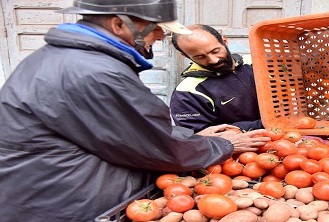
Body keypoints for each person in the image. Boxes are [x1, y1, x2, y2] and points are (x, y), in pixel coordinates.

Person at [0, 0, 270, 221]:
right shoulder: (94, 72)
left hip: (44, 190)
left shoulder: (68, 59)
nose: (161, 36)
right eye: (155, 28)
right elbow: (156, 146)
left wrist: (197, 138)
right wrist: (221, 144)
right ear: (119, 24)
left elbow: (122, 129)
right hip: (61, 203)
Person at [169, 12, 329, 133]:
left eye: (215, 50)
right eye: (199, 57)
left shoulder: (257, 62)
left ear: (225, 40)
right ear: (185, 57)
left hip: (294, 135)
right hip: (250, 151)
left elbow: (319, 65)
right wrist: (266, 124)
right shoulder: (188, 92)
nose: (213, 59)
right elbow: (198, 135)